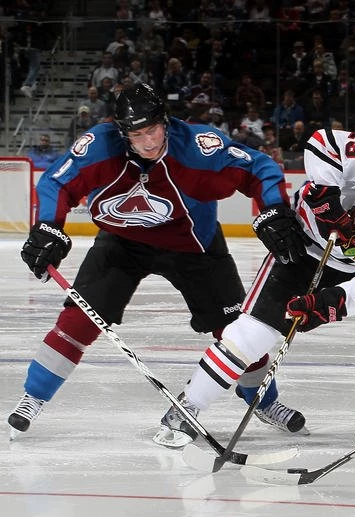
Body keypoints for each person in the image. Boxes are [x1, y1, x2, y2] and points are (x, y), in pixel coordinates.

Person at [8, 83, 307, 444]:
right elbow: (57, 183)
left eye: (152, 130)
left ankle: (263, 400)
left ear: (165, 121)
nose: (148, 142)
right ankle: (34, 396)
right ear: (122, 133)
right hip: (122, 243)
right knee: (78, 319)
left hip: (193, 245)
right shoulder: (99, 146)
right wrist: (47, 228)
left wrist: (274, 209)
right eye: (137, 135)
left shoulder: (197, 147)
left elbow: (259, 167)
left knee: (237, 332)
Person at [153, 129, 355, 451]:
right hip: (303, 248)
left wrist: (328, 304)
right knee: (253, 334)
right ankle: (187, 406)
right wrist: (326, 197)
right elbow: (324, 141)